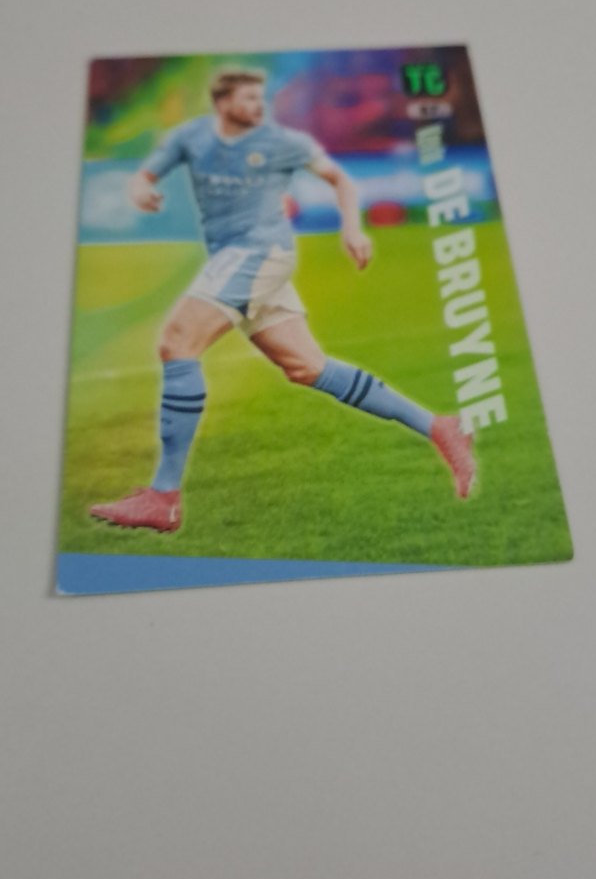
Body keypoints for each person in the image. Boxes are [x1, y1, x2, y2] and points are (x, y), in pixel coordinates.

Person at [90, 68, 475, 532]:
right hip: (240, 259)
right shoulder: (191, 136)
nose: (259, 106)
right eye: (249, 98)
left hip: (256, 254)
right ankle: (439, 426)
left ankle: (163, 497)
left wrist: (353, 229)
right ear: (222, 102)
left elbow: (341, 180)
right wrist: (140, 187)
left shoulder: (281, 141)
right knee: (307, 367)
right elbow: (147, 172)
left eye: (262, 98)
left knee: (177, 342)